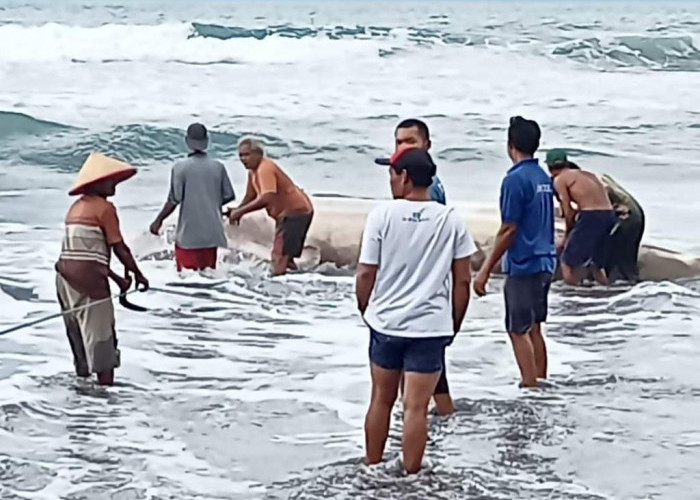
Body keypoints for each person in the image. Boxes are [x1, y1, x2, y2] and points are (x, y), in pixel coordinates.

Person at [357, 145, 476, 474]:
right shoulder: (451, 219)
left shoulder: (382, 215)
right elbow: (463, 281)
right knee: (416, 409)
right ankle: (411, 477)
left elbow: (367, 272)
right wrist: (453, 324)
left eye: (393, 173)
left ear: (405, 177)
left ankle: (372, 467)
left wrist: (366, 309)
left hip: (387, 323)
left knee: (381, 400)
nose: (391, 180)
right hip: (430, 327)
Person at [374, 118, 454, 416]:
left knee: (422, 385)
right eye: (398, 142)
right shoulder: (421, 186)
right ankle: (434, 424)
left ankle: (432, 426)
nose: (402, 147)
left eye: (410, 141)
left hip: (419, 304)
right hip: (418, 304)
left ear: (426, 145)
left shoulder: (429, 192)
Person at [474, 117, 556, 388]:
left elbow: (509, 228)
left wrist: (484, 270)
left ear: (510, 146)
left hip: (525, 263)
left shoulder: (515, 179)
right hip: (546, 260)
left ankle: (530, 384)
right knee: (534, 327)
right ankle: (541, 382)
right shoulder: (543, 177)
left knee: (516, 328)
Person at [56, 152, 149, 386]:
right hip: (88, 282)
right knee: (101, 342)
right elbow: (120, 248)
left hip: (64, 279)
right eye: (111, 180)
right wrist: (138, 274)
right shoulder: (104, 208)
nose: (115, 184)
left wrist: (118, 279)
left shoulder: (75, 208)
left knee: (79, 340)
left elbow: (87, 255)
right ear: (97, 183)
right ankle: (105, 401)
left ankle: (84, 401)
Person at [545, 149, 645, 283]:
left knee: (567, 261)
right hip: (609, 215)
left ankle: (573, 294)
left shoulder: (559, 180)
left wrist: (566, 237)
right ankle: (604, 291)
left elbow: (568, 211)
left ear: (549, 167)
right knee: (596, 264)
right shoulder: (587, 174)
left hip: (592, 216)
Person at [150, 123, 236, 272]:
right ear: (207, 140)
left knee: (187, 280)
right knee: (209, 277)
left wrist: (158, 221)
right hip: (212, 234)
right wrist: (210, 202)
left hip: (188, 235)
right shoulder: (218, 166)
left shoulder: (180, 167)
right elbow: (229, 195)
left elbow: (174, 199)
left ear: (187, 141)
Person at [228, 138, 314, 276]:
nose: (243, 159)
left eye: (247, 155)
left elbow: (267, 198)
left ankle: (277, 288)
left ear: (259, 154)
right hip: (287, 214)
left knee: (279, 256)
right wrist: (238, 210)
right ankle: (296, 281)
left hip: (295, 213)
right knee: (286, 256)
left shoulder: (265, 168)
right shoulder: (253, 172)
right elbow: (250, 196)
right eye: (241, 155)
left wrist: (240, 212)